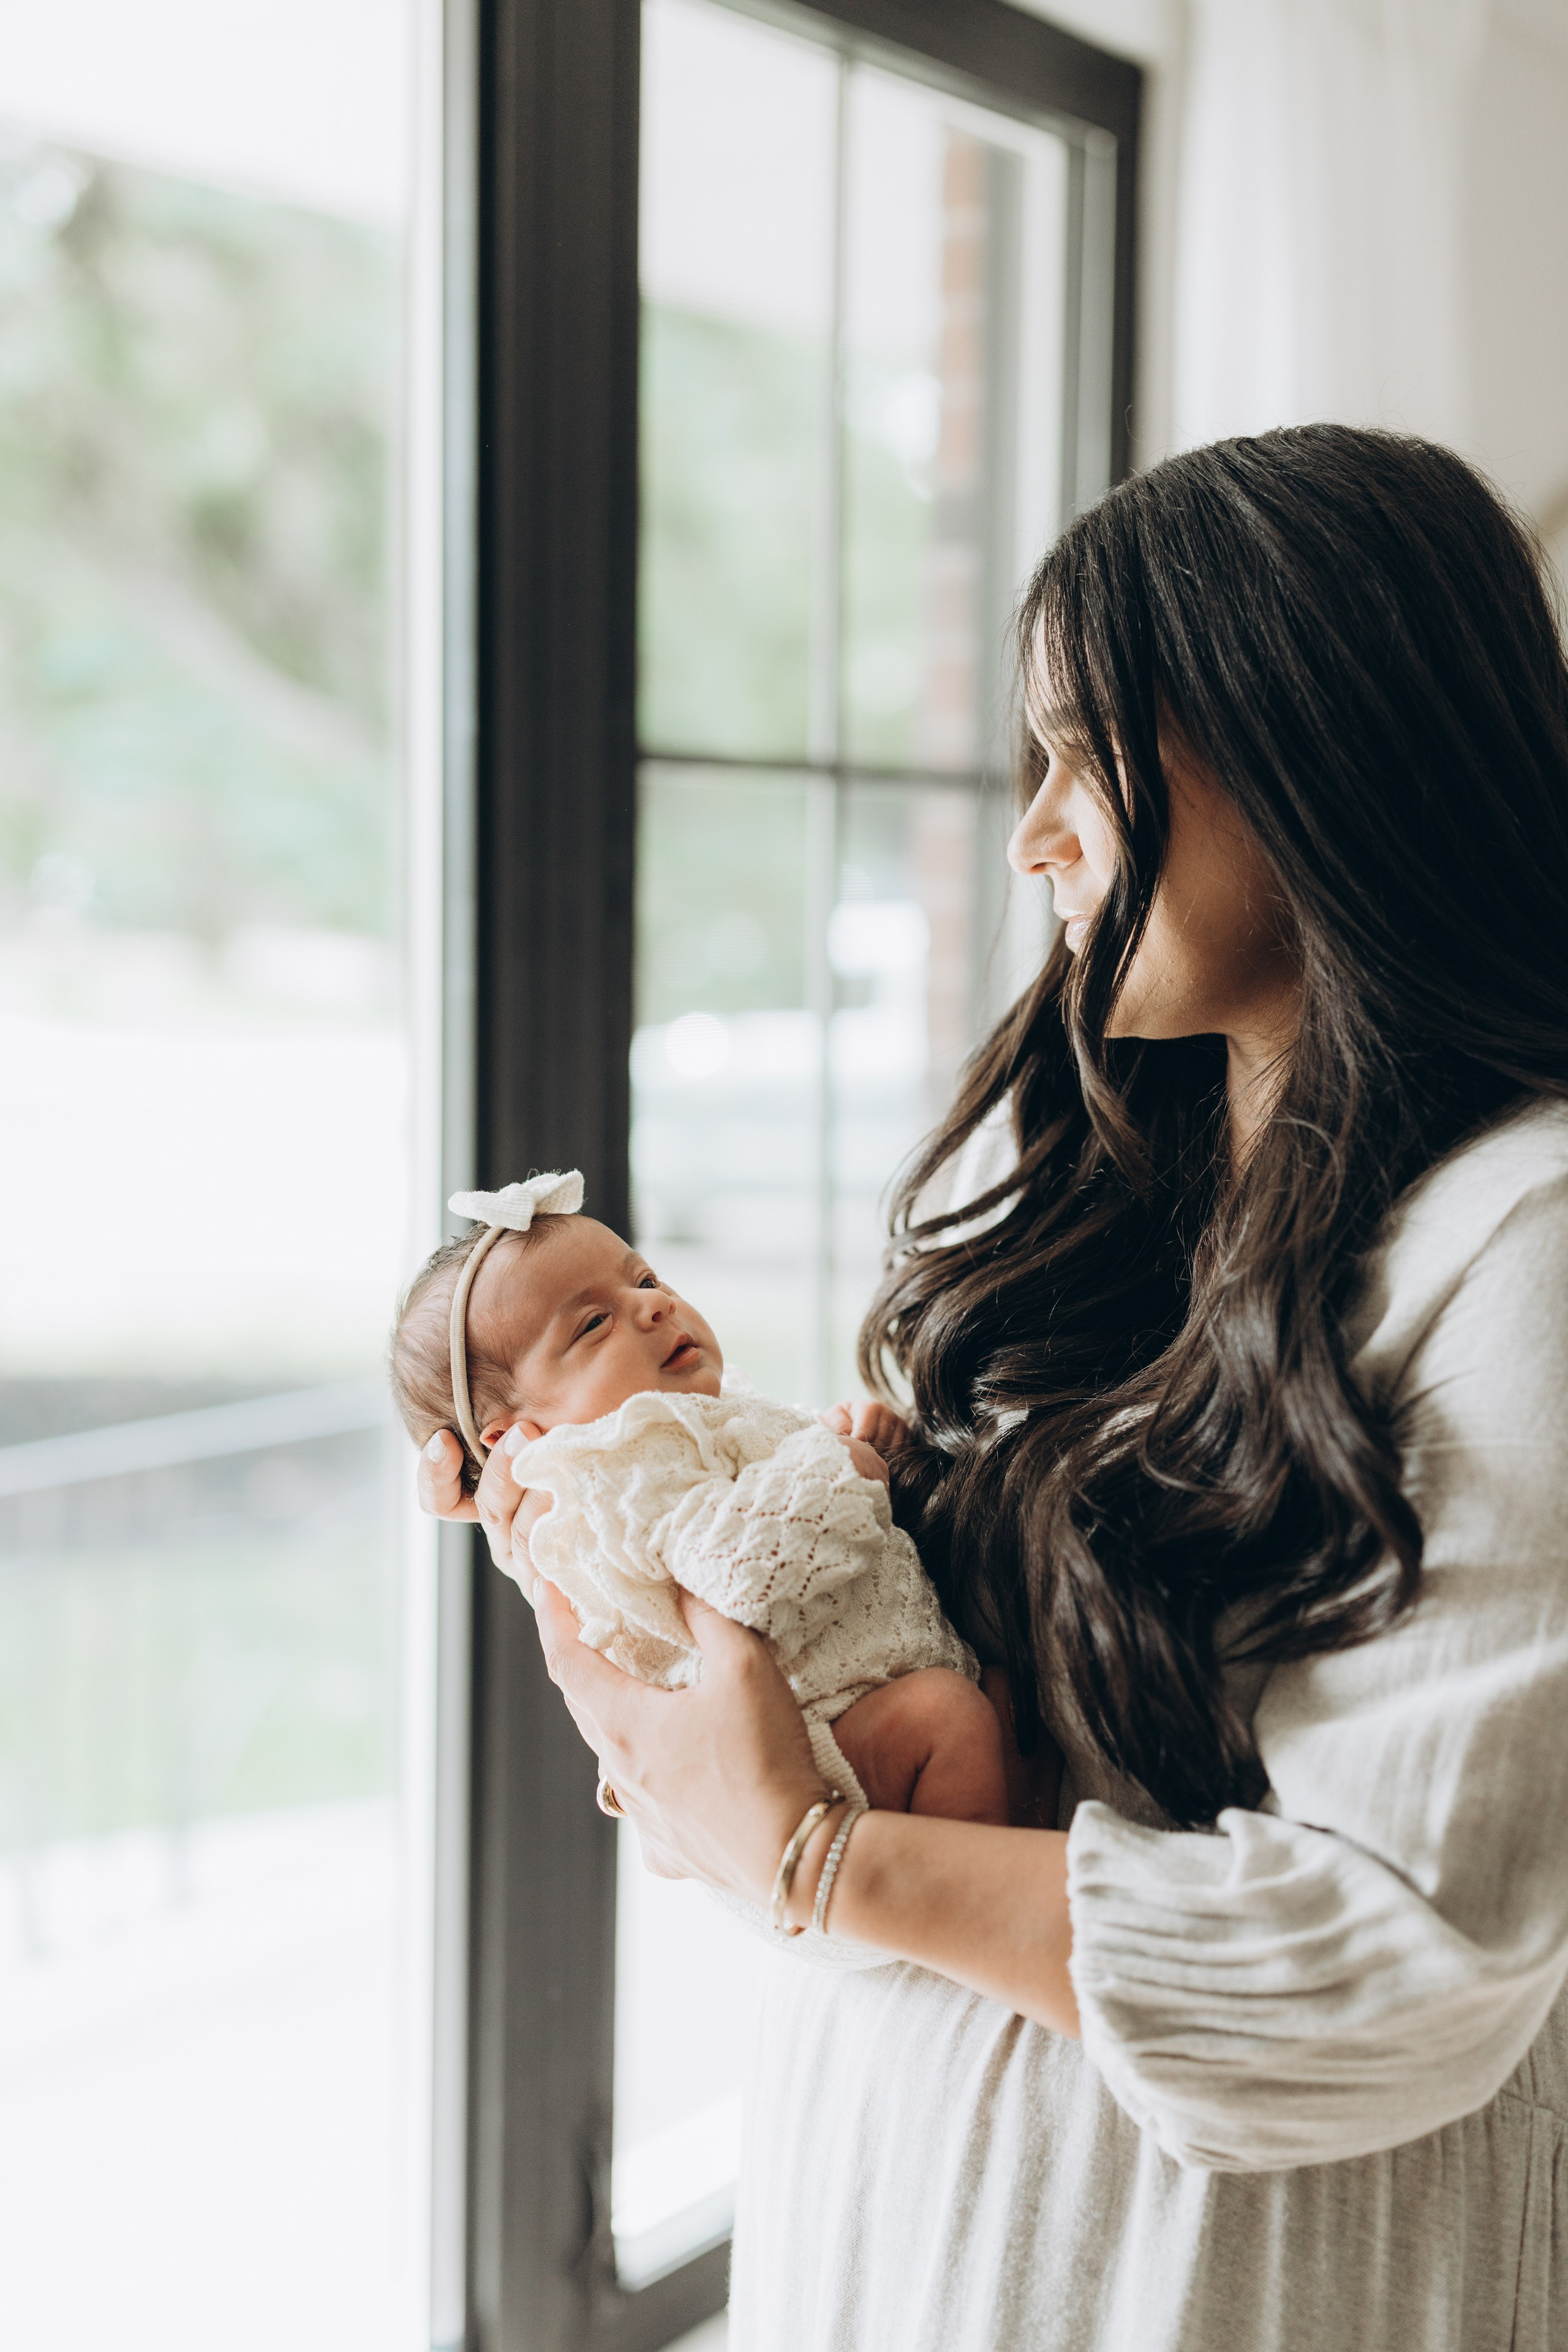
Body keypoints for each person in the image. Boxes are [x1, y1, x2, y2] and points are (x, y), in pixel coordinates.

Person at [420, 424, 1568, 2351]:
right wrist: (627, 1541)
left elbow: (1390, 1967)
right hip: (919, 2244)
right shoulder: (1146, 1188)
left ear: (1305, 742)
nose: (1035, 829)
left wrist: (815, 1854)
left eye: (1077, 752)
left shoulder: (1524, 1244)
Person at [391, 1174, 1007, 1931]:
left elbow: (763, 1464)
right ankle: (961, 1916)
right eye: (591, 1326)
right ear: (517, 1440)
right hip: (799, 1759)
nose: (653, 1305)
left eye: (644, 1279)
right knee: (949, 1718)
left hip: (842, 1712)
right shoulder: (609, 1474)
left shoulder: (681, 1423)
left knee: (999, 1708)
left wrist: (840, 1430)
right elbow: (743, 1570)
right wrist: (844, 1465)